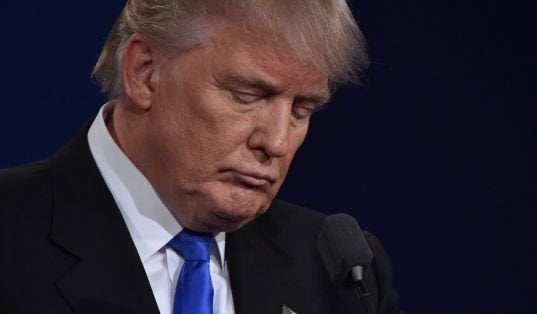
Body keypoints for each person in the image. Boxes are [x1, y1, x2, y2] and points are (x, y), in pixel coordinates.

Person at [0, 0, 400, 313]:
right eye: (247, 96)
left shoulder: (340, 276)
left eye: (302, 111)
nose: (277, 142)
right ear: (144, 72)